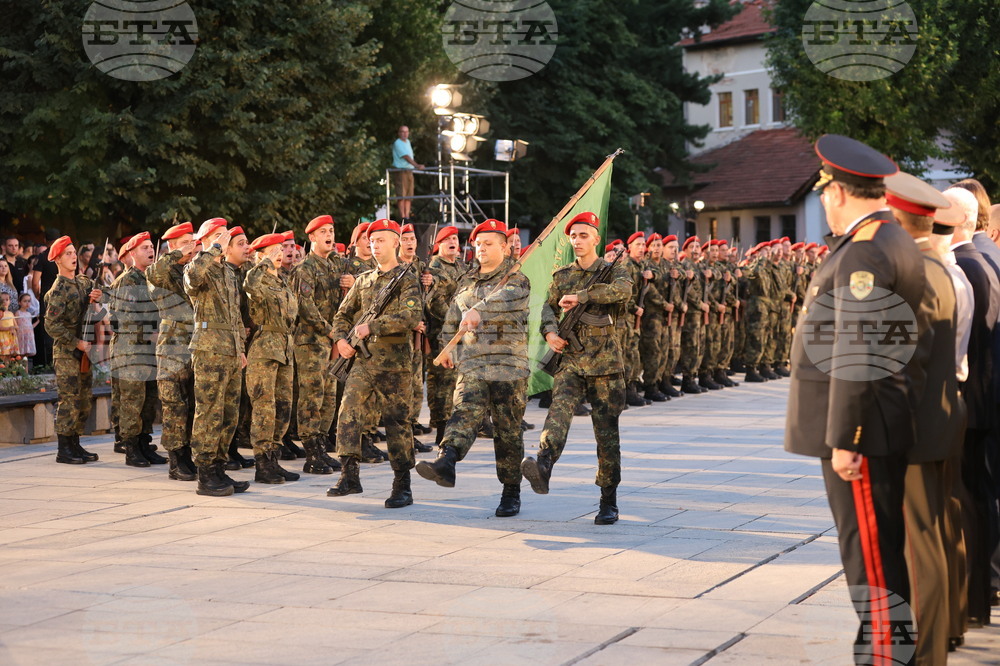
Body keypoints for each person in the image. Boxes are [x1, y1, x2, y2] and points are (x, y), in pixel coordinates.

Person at [785, 135, 925, 665]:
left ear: (839, 191)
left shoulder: (868, 250)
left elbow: (858, 352)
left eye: (825, 191)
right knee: (875, 555)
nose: (823, 200)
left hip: (862, 430)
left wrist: (848, 437)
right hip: (872, 422)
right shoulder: (879, 239)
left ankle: (888, 657)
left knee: (871, 561)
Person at [884, 171, 965, 664]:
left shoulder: (920, 272)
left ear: (896, 217)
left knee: (920, 546)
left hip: (918, 428)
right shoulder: (940, 267)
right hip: (941, 419)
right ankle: (940, 637)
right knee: (933, 535)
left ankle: (928, 651)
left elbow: (907, 366)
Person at [521, 211, 633, 524]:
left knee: (606, 433)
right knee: (558, 409)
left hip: (604, 363)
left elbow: (624, 291)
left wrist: (582, 295)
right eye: (574, 236)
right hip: (570, 359)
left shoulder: (613, 270)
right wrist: (550, 332)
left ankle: (608, 499)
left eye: (584, 235)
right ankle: (543, 463)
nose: (578, 241)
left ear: (596, 238)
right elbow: (547, 306)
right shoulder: (561, 276)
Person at [416, 219, 531, 516]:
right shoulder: (467, 279)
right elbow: (454, 315)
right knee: (464, 411)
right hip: (473, 362)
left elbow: (507, 300)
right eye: (478, 244)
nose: (481, 248)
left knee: (507, 431)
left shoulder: (517, 278)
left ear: (504, 248)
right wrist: (447, 346)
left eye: (488, 243)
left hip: (508, 364)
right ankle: (447, 460)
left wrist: (480, 310)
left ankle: (510, 491)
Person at [327, 218, 421, 507]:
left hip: (395, 363)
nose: (375, 245)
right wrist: (341, 340)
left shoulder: (407, 278)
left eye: (381, 240)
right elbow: (342, 315)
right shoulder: (364, 280)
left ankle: (402, 484)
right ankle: (349, 475)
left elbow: (411, 316)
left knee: (396, 422)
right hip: (363, 361)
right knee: (348, 411)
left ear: (396, 242)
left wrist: (374, 326)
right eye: (372, 240)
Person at [183, 219, 249, 497]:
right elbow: (191, 279)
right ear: (207, 239)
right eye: (219, 235)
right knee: (209, 412)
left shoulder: (226, 272)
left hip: (231, 350)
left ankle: (220, 466)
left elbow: (235, 316)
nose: (225, 239)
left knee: (228, 414)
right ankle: (205, 472)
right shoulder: (200, 265)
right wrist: (211, 248)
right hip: (209, 349)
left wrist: (241, 349)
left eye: (226, 235)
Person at [244, 233, 301, 484]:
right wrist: (264, 261)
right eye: (275, 250)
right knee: (264, 407)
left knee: (283, 406)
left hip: (285, 348)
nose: (280, 254)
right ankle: (262, 463)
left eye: (282, 249)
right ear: (261, 254)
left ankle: (274, 458)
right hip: (264, 349)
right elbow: (250, 285)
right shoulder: (256, 276)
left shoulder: (282, 280)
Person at [43, 236, 106, 464]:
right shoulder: (59, 289)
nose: (72, 257)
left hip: (84, 349)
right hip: (67, 351)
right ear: (58, 260)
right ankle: (64, 448)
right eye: (67, 254)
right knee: (69, 399)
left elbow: (103, 296)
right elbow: (51, 325)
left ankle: (76, 444)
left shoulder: (82, 282)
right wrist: (75, 342)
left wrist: (99, 296)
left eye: (73, 253)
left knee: (84, 398)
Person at [291, 215, 345, 475]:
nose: (329, 235)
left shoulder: (336, 265)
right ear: (312, 237)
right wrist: (330, 331)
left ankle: (321, 447)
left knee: (329, 396)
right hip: (312, 342)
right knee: (312, 396)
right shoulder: (305, 268)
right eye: (323, 231)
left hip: (332, 340)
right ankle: (311, 452)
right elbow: (305, 306)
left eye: (331, 231)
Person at [146, 222, 198, 482]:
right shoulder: (163, 272)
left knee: (191, 405)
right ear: (173, 247)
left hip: (194, 346)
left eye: (193, 241)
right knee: (174, 406)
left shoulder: (190, 271)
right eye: (187, 242)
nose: (193, 247)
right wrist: (179, 254)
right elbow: (154, 272)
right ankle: (176, 460)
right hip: (172, 348)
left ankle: (188, 455)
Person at [109, 231, 163, 467]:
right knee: (132, 400)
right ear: (131, 254)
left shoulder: (152, 279)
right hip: (131, 350)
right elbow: (124, 319)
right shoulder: (126, 281)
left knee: (149, 400)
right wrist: (152, 332)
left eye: (151, 247)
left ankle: (143, 442)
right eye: (144, 248)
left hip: (150, 350)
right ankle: (131, 447)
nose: (151, 251)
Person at [392, 126, 424, 221]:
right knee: (402, 194)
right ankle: (403, 216)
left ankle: (407, 215)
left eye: (406, 132)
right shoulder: (398, 143)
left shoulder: (408, 142)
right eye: (402, 132)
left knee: (409, 195)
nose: (405, 134)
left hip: (409, 170)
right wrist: (417, 165)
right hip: (401, 170)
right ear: (399, 133)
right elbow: (406, 156)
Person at [14, 293, 37, 365]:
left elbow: (30, 326)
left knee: (26, 355)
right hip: (21, 336)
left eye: (29, 301)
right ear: (19, 302)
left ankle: (26, 372)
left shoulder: (29, 314)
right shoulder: (18, 313)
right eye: (25, 301)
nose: (27, 303)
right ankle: (20, 371)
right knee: (21, 354)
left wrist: (38, 321)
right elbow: (16, 325)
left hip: (28, 336)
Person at [0, 293, 18, 360]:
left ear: (10, 301)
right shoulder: (1, 313)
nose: (5, 302)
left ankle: (8, 369)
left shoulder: (11, 313)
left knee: (9, 356)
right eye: (2, 300)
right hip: (3, 337)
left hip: (10, 336)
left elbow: (16, 326)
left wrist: (14, 329)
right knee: (3, 356)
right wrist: (9, 328)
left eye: (7, 299)